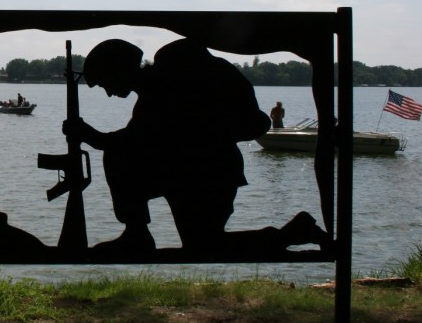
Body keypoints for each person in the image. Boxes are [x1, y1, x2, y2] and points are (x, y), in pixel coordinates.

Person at [63, 38, 271, 253]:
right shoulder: (156, 91)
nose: (108, 92)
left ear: (118, 70)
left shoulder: (164, 86)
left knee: (204, 245)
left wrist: (89, 135)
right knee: (203, 243)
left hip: (208, 174)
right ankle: (136, 233)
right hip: (185, 173)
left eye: (105, 82)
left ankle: (289, 234)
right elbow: (137, 139)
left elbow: (136, 139)